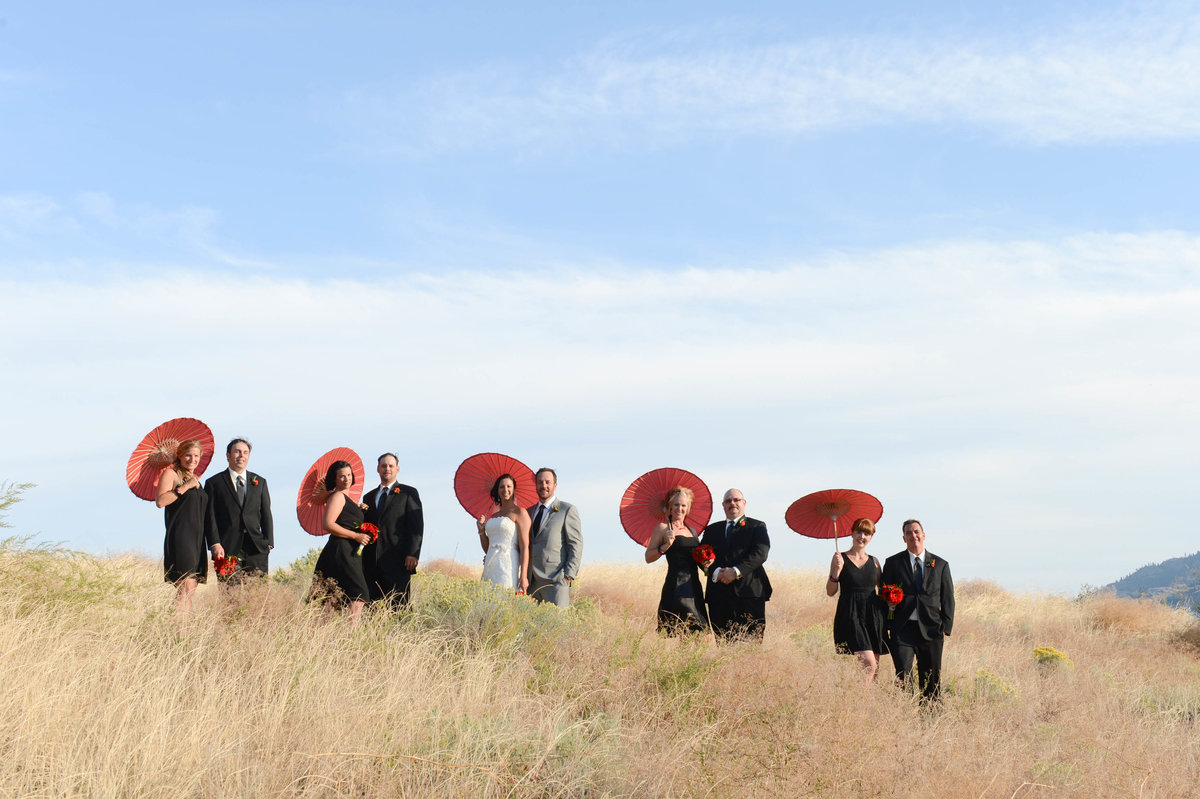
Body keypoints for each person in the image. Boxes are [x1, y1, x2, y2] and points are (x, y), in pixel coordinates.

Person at [881, 519, 955, 701]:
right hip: (902, 630)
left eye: (916, 532)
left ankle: (930, 717)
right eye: (908, 533)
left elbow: (948, 598)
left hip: (931, 630)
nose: (913, 535)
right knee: (903, 676)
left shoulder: (940, 564)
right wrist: (888, 612)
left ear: (923, 535)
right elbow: (883, 593)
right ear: (903, 538)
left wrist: (946, 626)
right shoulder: (893, 563)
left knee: (930, 679)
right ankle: (905, 716)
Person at [702, 488, 772, 642]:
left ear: (744, 503)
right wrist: (716, 572)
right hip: (719, 596)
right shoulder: (711, 530)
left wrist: (736, 571)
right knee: (723, 644)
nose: (732, 504)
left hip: (749, 594)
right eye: (728, 501)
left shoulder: (757, 526)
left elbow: (761, 553)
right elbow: (701, 557)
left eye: (736, 500)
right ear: (723, 505)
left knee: (751, 644)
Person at [203, 437, 273, 582]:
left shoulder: (259, 482)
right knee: (228, 593)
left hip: (256, 548)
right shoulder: (213, 483)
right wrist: (214, 543)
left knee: (256, 594)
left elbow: (266, 513)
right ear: (228, 455)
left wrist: (268, 541)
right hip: (225, 549)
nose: (241, 456)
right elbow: (210, 517)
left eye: (245, 453)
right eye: (237, 452)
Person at [310, 461, 373, 621]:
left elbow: (345, 518)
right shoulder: (337, 496)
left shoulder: (348, 499)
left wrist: (359, 510)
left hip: (348, 553)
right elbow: (328, 524)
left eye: (349, 475)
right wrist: (356, 536)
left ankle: (327, 638)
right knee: (359, 594)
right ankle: (348, 637)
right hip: (341, 550)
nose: (346, 479)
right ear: (335, 479)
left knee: (332, 599)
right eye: (341, 476)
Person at [644, 486, 711, 636]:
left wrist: (706, 564)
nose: (679, 509)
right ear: (669, 506)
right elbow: (648, 557)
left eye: (683, 505)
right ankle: (683, 659)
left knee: (701, 634)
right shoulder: (662, 528)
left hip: (694, 586)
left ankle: (689, 660)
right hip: (677, 586)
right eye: (676, 504)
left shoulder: (692, 531)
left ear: (688, 508)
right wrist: (666, 545)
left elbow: (697, 560)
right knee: (689, 631)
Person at [155, 439, 212, 610]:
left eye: (196, 456)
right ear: (180, 456)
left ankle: (183, 628)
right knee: (184, 585)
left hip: (197, 538)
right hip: (180, 536)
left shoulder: (196, 479)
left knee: (191, 586)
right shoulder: (171, 474)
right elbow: (160, 501)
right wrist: (185, 487)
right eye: (188, 455)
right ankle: (174, 625)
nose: (192, 459)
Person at [361, 452, 423, 609]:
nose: (387, 469)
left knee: (398, 607)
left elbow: (416, 525)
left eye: (390, 466)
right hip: (372, 563)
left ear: (397, 469)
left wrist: (413, 553)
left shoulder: (408, 493)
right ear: (377, 469)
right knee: (372, 609)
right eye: (383, 466)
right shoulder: (368, 497)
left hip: (399, 560)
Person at [827, 517, 886, 681]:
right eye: (859, 532)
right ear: (852, 533)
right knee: (869, 664)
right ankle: (859, 701)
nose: (862, 536)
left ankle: (867, 703)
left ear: (871, 537)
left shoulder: (874, 562)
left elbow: (882, 590)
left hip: (872, 615)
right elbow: (830, 591)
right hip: (850, 613)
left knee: (875, 668)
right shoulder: (840, 558)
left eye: (867, 533)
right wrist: (837, 571)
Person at [525, 467, 583, 608]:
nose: (543, 486)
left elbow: (575, 544)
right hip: (531, 582)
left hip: (555, 581)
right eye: (540, 482)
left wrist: (568, 575)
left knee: (557, 626)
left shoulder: (566, 510)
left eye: (547, 482)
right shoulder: (528, 512)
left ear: (555, 485)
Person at [477, 474, 531, 594]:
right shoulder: (493, 516)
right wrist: (481, 530)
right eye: (502, 487)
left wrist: (523, 576)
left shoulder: (520, 512)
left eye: (509, 486)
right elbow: (488, 548)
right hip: (491, 564)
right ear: (497, 490)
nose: (505, 490)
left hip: (509, 564)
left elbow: (524, 547)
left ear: (514, 489)